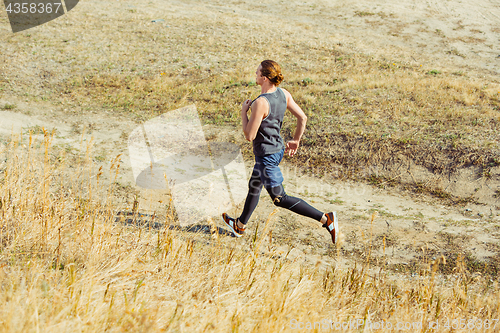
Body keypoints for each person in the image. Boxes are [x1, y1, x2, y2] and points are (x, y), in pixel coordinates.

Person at [222, 60, 339, 245]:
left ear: (265, 78)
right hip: (277, 149)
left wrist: (244, 112)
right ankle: (240, 225)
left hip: (267, 155)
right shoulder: (283, 94)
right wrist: (296, 140)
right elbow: (302, 117)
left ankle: (326, 219)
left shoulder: (260, 103)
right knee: (254, 187)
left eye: (257, 72)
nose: (255, 74)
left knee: (279, 198)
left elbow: (249, 136)